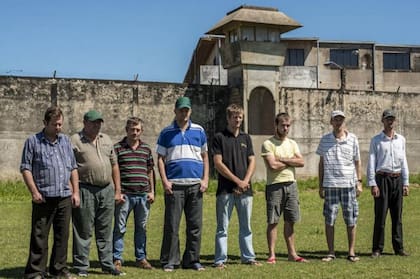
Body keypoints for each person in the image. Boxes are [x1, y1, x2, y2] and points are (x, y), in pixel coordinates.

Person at [21, 106, 79, 279]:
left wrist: (75, 192)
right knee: (40, 236)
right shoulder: (33, 142)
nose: (58, 128)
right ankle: (36, 272)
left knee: (62, 236)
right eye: (54, 124)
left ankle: (58, 270)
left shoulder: (66, 141)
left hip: (64, 196)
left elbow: (73, 167)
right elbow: (25, 168)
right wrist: (34, 191)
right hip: (43, 197)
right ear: (45, 123)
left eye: (60, 124)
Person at [156, 96, 209, 272]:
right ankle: (170, 261)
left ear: (190, 111)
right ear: (175, 111)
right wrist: (164, 181)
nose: (184, 113)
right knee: (172, 225)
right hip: (175, 185)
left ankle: (192, 260)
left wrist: (205, 179)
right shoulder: (166, 132)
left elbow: (205, 157)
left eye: (187, 109)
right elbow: (161, 159)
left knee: (195, 225)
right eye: (181, 110)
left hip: (195, 185)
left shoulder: (199, 131)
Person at [71, 110, 125, 276]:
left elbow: (114, 165)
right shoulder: (75, 140)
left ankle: (107, 264)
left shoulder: (106, 139)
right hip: (85, 188)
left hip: (106, 189)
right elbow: (70, 168)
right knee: (83, 229)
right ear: (85, 122)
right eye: (94, 122)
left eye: (99, 122)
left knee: (105, 229)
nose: (97, 125)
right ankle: (81, 266)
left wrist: (117, 190)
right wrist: (74, 191)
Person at [213, 104, 261, 269]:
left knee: (246, 226)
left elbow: (252, 161)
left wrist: (245, 181)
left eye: (240, 117)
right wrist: (237, 181)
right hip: (225, 190)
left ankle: (248, 257)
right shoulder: (219, 137)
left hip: (246, 191)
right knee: (222, 227)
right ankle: (220, 260)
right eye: (235, 117)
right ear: (228, 118)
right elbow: (218, 164)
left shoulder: (246, 138)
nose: (238, 120)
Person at [316, 110, 363, 262]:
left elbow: (357, 162)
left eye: (341, 120)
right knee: (329, 219)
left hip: (349, 184)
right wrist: (321, 185)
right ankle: (331, 252)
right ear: (331, 122)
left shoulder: (353, 139)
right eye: (336, 120)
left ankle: (351, 252)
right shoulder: (325, 140)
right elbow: (321, 163)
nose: (338, 122)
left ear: (344, 122)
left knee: (351, 219)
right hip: (330, 185)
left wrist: (359, 183)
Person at [261, 112, 307, 264]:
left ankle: (292, 254)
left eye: (288, 125)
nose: (286, 128)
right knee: (273, 221)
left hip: (291, 185)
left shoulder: (292, 143)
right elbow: (272, 166)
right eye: (283, 125)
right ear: (276, 125)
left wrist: (282, 159)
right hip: (274, 186)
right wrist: (291, 161)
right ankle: (272, 255)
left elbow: (301, 162)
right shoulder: (268, 144)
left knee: (290, 221)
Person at [112, 117, 155, 271]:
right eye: (132, 129)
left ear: (141, 131)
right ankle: (117, 258)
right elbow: (113, 171)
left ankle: (141, 258)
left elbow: (150, 171)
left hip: (143, 195)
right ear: (126, 130)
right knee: (119, 227)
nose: (134, 132)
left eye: (137, 130)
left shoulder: (147, 149)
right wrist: (117, 192)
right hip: (125, 195)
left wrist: (152, 191)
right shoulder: (117, 148)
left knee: (141, 228)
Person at [367, 109, 409, 258]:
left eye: (392, 119)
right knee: (380, 215)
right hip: (382, 179)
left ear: (394, 121)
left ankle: (399, 248)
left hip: (397, 179)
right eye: (387, 119)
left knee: (397, 216)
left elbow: (403, 160)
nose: (390, 122)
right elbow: (371, 161)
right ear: (382, 120)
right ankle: (377, 248)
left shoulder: (401, 139)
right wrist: (372, 183)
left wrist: (406, 182)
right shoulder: (376, 140)